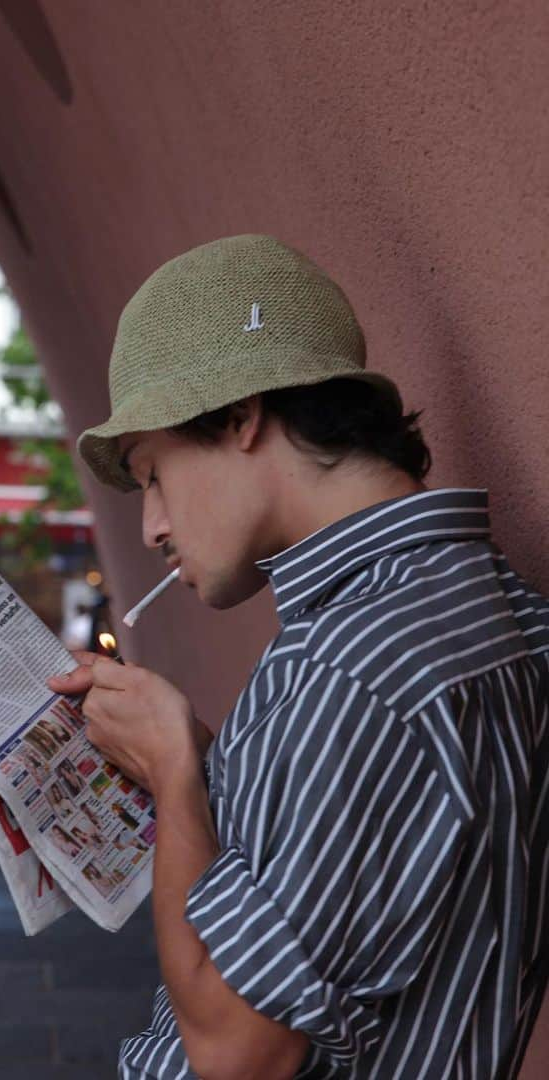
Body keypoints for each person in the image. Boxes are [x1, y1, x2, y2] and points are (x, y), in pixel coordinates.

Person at [48, 234, 549, 1079]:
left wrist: (175, 774)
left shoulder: (355, 662)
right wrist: (207, 773)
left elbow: (239, 1050)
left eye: (154, 474)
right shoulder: (485, 608)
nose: (153, 527)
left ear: (241, 414)